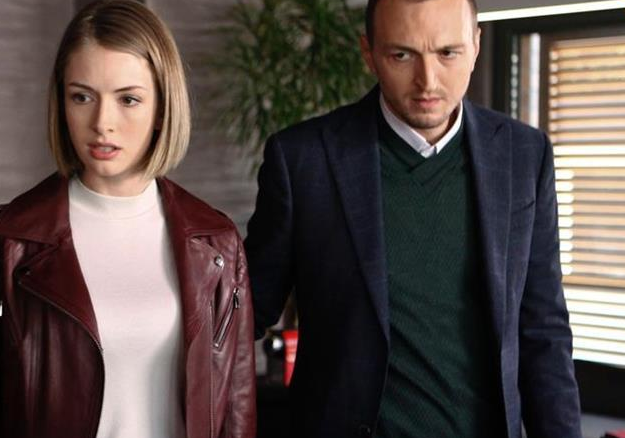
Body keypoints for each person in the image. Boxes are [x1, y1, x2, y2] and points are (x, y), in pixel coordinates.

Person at [244, 0, 581, 436]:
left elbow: (543, 331)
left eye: (448, 53)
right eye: (402, 55)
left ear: (476, 46)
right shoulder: (304, 160)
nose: (428, 80)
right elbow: (244, 315)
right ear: (369, 53)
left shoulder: (524, 155)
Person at [0, 1, 256, 437]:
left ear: (162, 108)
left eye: (128, 99)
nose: (102, 122)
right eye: (82, 97)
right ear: (61, 103)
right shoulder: (4, 240)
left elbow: (236, 414)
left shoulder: (217, 243)